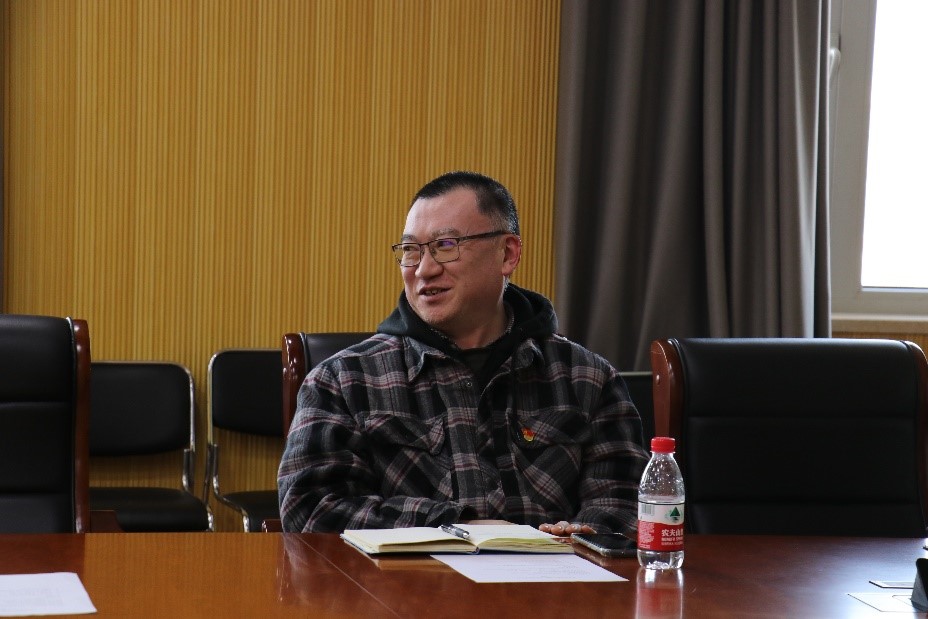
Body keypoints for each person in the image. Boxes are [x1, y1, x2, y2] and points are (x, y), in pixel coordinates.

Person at [278, 170, 648, 537]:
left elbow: (625, 503)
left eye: (445, 245)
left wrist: (583, 535)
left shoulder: (588, 379)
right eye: (411, 250)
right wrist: (457, 527)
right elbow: (310, 509)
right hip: (405, 577)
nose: (424, 270)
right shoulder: (343, 381)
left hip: (554, 575)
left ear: (507, 253)